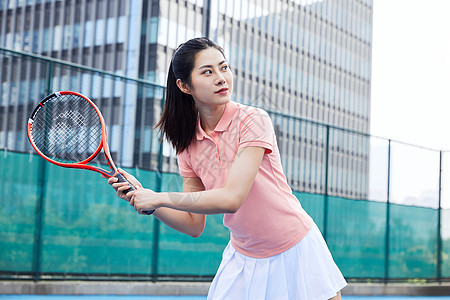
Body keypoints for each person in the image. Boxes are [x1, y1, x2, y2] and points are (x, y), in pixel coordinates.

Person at [107, 37, 347, 299]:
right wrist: (151, 204)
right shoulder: (186, 144)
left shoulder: (253, 120)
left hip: (296, 247)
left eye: (224, 67)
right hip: (243, 257)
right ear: (184, 85)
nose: (221, 78)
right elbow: (193, 224)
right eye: (207, 72)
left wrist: (160, 196)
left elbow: (232, 198)